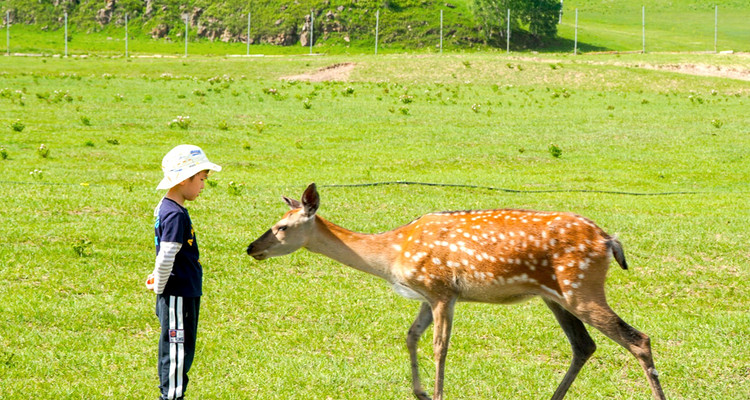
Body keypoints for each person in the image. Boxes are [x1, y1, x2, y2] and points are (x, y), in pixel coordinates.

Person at [146, 144, 221, 400]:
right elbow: (167, 253)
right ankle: (172, 396)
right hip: (178, 294)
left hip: (179, 292)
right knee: (178, 350)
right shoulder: (175, 214)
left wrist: (157, 275)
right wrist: (160, 285)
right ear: (184, 179)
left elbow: (164, 252)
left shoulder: (166, 208)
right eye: (200, 179)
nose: (202, 186)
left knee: (178, 347)